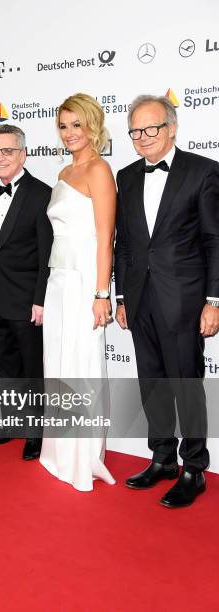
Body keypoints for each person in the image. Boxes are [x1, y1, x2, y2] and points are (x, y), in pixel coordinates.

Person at [114, 94, 219, 508]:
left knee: (186, 384)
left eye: (151, 128)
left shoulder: (204, 172)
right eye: (135, 130)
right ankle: (162, 457)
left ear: (171, 128)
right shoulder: (125, 176)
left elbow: (214, 240)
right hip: (139, 298)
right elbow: (124, 243)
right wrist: (121, 294)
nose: (142, 137)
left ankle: (194, 466)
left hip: (184, 299)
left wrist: (214, 300)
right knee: (152, 382)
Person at [39, 93, 116, 491]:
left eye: (76, 125)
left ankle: (82, 457)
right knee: (59, 364)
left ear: (92, 127)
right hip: (59, 280)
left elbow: (105, 239)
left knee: (81, 366)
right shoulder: (63, 172)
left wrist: (102, 293)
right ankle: (59, 452)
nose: (69, 133)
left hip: (86, 280)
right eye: (63, 125)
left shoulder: (99, 170)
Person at [0, 124, 53, 460]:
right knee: (5, 365)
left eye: (7, 151)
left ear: (23, 154)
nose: (0, 158)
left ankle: (35, 432)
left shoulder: (41, 194)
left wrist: (40, 299)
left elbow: (46, 255)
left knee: (30, 368)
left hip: (26, 300)